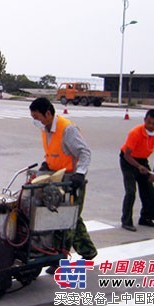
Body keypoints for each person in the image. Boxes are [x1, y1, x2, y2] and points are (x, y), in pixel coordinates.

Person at [29, 97, 97, 266]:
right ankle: (88, 251)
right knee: (71, 217)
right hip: (56, 178)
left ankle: (59, 258)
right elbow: (55, 152)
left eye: (37, 117)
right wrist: (47, 163)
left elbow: (84, 152)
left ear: (48, 113)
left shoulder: (67, 129)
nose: (36, 122)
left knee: (65, 219)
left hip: (71, 181)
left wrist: (80, 174)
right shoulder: (46, 128)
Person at [120, 109, 154, 232]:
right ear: (144, 120)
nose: (151, 126)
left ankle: (146, 218)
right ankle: (126, 221)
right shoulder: (135, 132)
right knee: (131, 191)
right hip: (128, 161)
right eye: (149, 123)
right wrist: (138, 166)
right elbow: (127, 155)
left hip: (142, 160)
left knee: (149, 190)